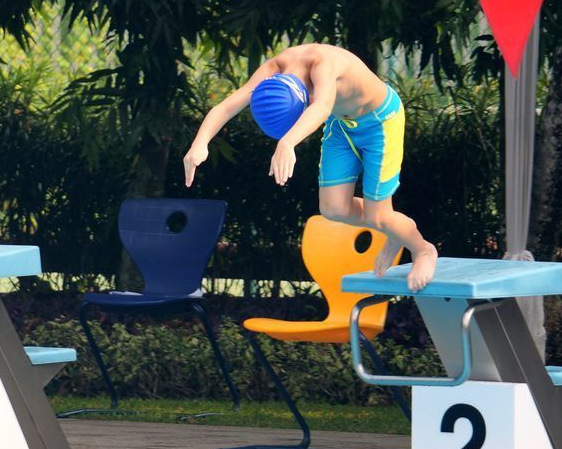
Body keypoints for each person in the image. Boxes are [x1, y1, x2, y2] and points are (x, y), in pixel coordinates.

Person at [182, 43, 437, 291]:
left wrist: (289, 142)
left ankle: (422, 248)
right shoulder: (275, 68)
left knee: (378, 216)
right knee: (333, 209)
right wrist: (200, 143)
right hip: (342, 127)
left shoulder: (320, 62)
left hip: (380, 122)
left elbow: (323, 106)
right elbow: (228, 104)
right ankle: (393, 228)